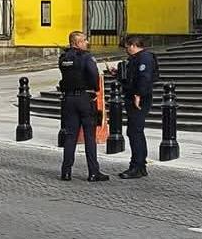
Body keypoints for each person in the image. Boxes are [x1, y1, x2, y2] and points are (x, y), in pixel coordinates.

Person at [59, 31, 108, 182]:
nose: (87, 43)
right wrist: (95, 90)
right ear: (78, 42)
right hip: (85, 98)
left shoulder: (63, 58)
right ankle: (93, 172)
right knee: (89, 136)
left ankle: (66, 172)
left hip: (69, 99)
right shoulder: (86, 57)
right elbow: (94, 75)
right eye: (85, 40)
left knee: (70, 136)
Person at [116, 35, 157, 179]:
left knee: (135, 132)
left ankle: (137, 166)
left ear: (133, 45)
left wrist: (138, 95)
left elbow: (144, 78)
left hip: (138, 99)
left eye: (127, 47)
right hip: (133, 96)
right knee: (134, 131)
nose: (126, 50)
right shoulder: (137, 58)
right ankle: (139, 165)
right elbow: (132, 77)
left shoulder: (144, 58)